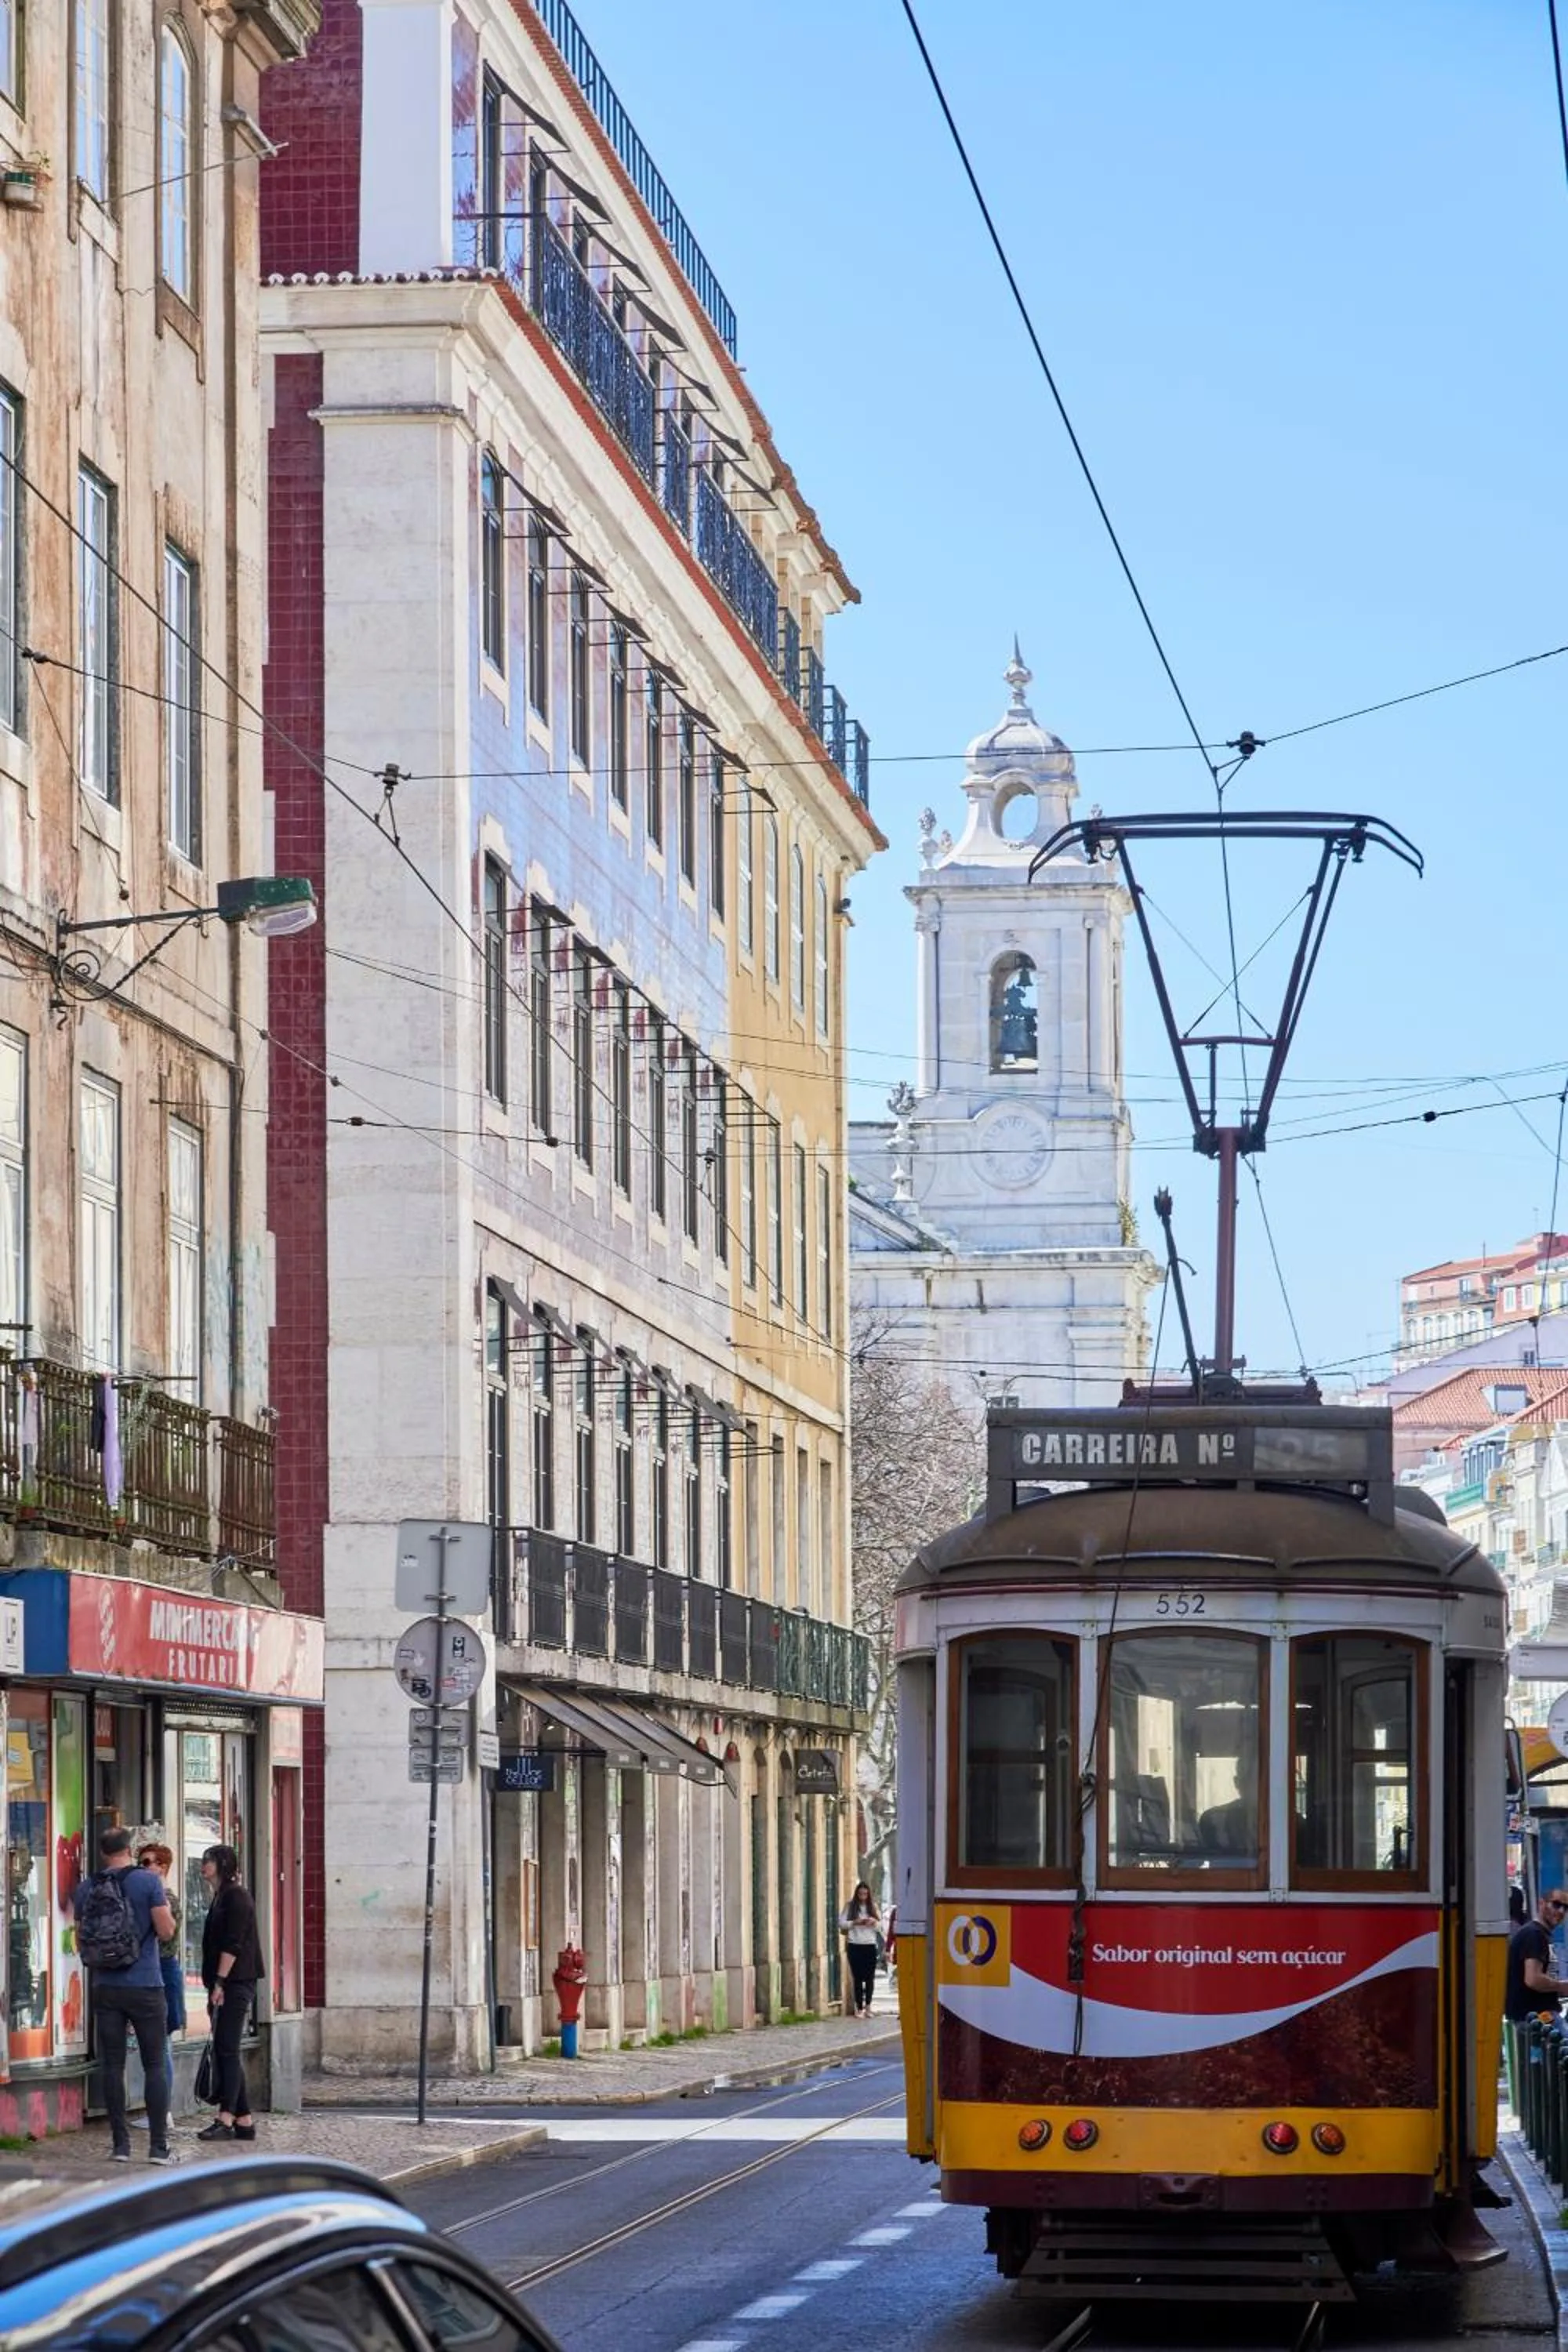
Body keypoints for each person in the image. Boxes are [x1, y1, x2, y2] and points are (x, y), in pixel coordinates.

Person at [73, 1826, 176, 2164]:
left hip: (105, 1986)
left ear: (102, 1852)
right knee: (154, 2063)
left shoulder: (87, 1887)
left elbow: (80, 1942)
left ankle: (120, 2146)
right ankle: (159, 2147)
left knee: (112, 2064)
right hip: (145, 1984)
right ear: (129, 1849)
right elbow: (165, 1930)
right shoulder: (148, 1882)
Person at [198, 1845, 264, 2142]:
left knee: (226, 2048)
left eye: (209, 1861)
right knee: (227, 2049)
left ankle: (225, 2118)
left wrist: (221, 1983)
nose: (204, 1865)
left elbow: (233, 1944)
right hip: (224, 1982)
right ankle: (245, 2120)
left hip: (235, 1982)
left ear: (223, 1864)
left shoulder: (236, 1896)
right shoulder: (221, 1896)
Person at [136, 1842, 185, 2115]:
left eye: (147, 1863)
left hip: (164, 1971)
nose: (143, 1867)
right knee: (156, 2046)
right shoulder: (151, 1895)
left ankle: (162, 2112)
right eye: (141, 1862)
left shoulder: (167, 1899)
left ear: (162, 1867)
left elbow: (165, 1940)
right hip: (153, 1972)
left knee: (161, 2045)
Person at [1504, 1886, 1568, 2023]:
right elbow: (1533, 1979)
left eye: (1565, 1907)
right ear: (1541, 1904)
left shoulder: (1538, 1934)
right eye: (1556, 1905)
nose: (1561, 1911)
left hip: (1539, 2019)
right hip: (1538, 2021)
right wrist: (1562, 1986)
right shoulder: (1534, 1935)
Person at [839, 1882, 880, 2017]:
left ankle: (868, 2006)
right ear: (857, 1894)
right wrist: (854, 1922)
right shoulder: (850, 1906)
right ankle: (859, 2008)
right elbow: (841, 1923)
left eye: (865, 1894)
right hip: (854, 1945)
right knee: (857, 1977)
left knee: (869, 1978)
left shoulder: (873, 1907)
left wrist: (874, 1922)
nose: (863, 1896)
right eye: (861, 1894)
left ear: (869, 1895)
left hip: (869, 1945)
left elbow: (881, 1927)